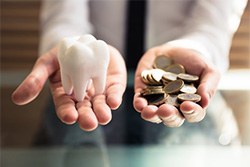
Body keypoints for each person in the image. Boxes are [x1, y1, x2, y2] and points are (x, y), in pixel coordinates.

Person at [12, 0, 247, 145]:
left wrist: (196, 51)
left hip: (195, 134)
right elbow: (64, 14)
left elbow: (213, 24)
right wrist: (67, 45)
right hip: (92, 95)